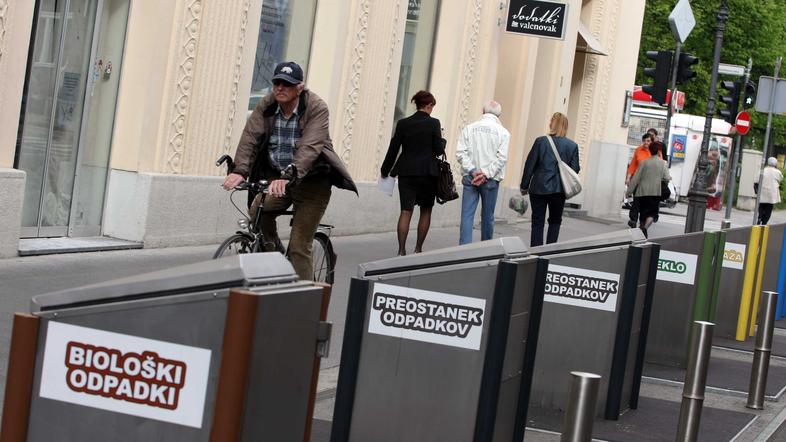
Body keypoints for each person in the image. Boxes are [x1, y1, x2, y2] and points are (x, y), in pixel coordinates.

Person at [222, 61, 357, 280]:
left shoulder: (316, 107)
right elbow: (250, 138)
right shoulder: (267, 104)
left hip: (313, 182)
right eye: (277, 83)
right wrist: (240, 171)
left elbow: (310, 147)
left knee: (298, 246)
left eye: (287, 84)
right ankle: (275, 257)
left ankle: (305, 303)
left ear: (300, 87)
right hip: (279, 178)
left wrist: (289, 176)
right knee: (258, 210)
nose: (280, 88)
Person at [381, 90, 445, 255]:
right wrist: (441, 138)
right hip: (427, 173)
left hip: (407, 172)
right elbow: (438, 151)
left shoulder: (403, 123)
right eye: (432, 106)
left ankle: (401, 250)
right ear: (429, 105)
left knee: (405, 211)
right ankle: (418, 249)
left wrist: (385, 170)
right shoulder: (434, 123)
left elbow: (393, 149)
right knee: (426, 210)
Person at [519, 112, 580, 247]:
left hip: (539, 188)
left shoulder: (541, 141)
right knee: (555, 221)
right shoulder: (572, 146)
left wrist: (524, 186)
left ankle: (536, 251)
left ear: (552, 123)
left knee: (537, 221)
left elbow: (530, 164)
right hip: (559, 190)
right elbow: (575, 169)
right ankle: (550, 250)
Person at [455, 101, 510, 245]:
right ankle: (486, 247)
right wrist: (485, 173)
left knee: (467, 216)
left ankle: (464, 249)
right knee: (487, 216)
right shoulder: (503, 133)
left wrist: (474, 171)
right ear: (499, 115)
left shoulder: (469, 128)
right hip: (491, 180)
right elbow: (501, 158)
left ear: (482, 111)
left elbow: (460, 153)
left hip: (470, 177)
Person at [627, 141, 670, 238]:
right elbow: (667, 177)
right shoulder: (663, 163)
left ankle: (642, 228)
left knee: (643, 213)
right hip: (655, 192)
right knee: (652, 213)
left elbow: (636, 177)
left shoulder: (644, 162)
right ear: (659, 151)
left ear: (650, 150)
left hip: (642, 192)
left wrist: (629, 191)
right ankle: (644, 228)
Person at [625, 133, 657, 227]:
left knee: (645, 202)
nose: (646, 143)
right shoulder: (639, 150)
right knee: (636, 201)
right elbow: (633, 164)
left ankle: (642, 222)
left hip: (648, 182)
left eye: (648, 141)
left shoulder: (655, 152)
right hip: (637, 180)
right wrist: (628, 177)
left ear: (651, 141)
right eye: (644, 141)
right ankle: (633, 220)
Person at [758, 157, 783, 225]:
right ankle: (764, 222)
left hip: (762, 192)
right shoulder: (778, 172)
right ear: (775, 163)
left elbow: (757, 179)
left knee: (761, 205)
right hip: (772, 194)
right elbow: (781, 179)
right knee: (769, 208)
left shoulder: (763, 170)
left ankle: (760, 217)